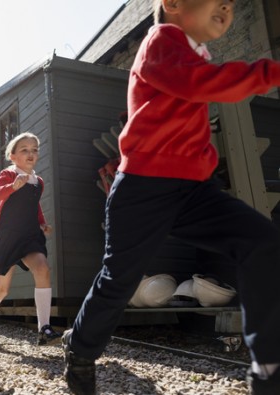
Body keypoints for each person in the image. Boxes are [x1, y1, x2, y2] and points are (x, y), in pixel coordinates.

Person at [62, 2, 280, 394]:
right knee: (119, 278)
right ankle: (79, 348)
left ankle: (268, 365)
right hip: (143, 188)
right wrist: (269, 72)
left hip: (193, 190)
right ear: (173, 4)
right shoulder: (161, 41)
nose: (227, 7)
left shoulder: (195, 54)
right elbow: (199, 84)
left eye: (231, 2)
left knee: (262, 242)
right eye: (217, 0)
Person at [0, 132, 61, 346]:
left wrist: (42, 223)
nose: (30, 154)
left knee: (42, 269)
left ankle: (44, 329)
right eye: (24, 150)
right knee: (2, 289)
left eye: (34, 150)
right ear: (13, 156)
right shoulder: (9, 174)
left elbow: (35, 205)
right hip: (8, 237)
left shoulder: (38, 182)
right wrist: (12, 186)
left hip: (31, 235)